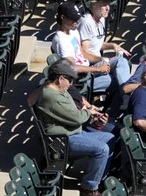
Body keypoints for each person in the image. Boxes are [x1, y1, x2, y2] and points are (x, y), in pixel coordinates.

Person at [34, 59, 113, 196]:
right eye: (69, 80)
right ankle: (89, 189)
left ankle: (96, 179)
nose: (71, 83)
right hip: (61, 140)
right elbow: (77, 118)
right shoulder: (52, 96)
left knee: (110, 138)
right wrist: (89, 112)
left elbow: (77, 115)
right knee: (102, 149)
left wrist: (94, 116)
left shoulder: (61, 91)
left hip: (74, 133)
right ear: (61, 78)